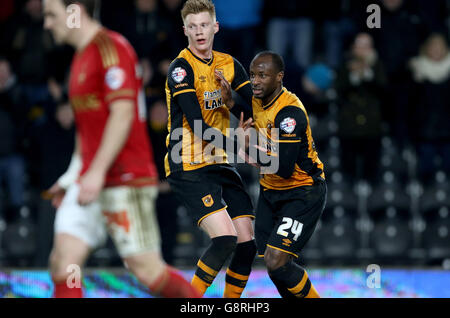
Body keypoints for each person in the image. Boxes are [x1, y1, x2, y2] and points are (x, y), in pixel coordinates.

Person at [43, 0, 200, 298]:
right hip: (90, 180)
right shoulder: (79, 58)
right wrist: (72, 175)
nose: (46, 24)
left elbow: (123, 115)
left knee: (147, 271)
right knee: (63, 262)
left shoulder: (111, 48)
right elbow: (87, 131)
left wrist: (96, 171)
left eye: (52, 15)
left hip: (126, 179)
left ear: (75, 12)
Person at [165, 0, 257, 298]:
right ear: (185, 31)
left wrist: (233, 103)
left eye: (204, 25)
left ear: (215, 27)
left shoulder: (229, 64)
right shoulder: (180, 68)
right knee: (226, 239)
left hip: (219, 162)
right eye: (192, 27)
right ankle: (189, 301)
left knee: (247, 243)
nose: (199, 31)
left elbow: (257, 105)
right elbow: (197, 125)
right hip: (189, 164)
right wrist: (243, 149)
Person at [239, 51, 327, 298]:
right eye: (253, 74)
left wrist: (246, 145)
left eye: (262, 75)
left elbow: (283, 167)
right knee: (273, 265)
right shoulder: (259, 99)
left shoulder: (290, 114)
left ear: (279, 77)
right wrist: (228, 101)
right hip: (270, 192)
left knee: (277, 260)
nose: (255, 81)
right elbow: (243, 106)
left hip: (302, 192)